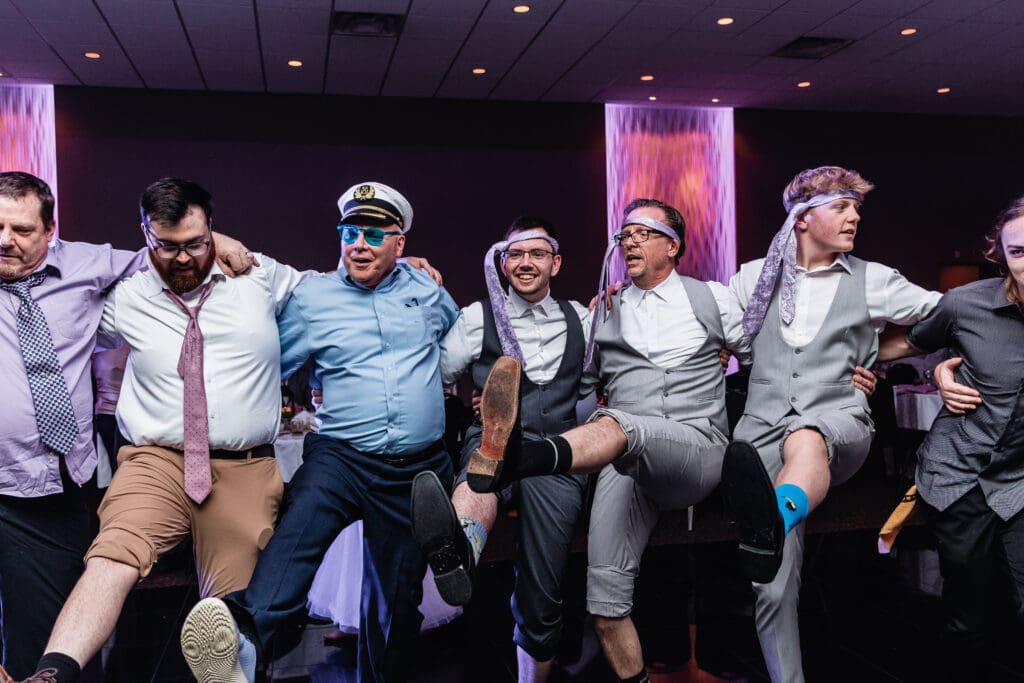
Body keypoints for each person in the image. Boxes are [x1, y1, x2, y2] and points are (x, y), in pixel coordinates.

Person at [1, 177, 288, 683]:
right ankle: (52, 673)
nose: (5, 239)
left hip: (239, 466)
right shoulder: (128, 293)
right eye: (166, 245)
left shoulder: (255, 276)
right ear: (146, 236)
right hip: (152, 460)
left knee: (228, 615)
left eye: (194, 244)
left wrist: (405, 269)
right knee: (112, 556)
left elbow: (334, 290)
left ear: (50, 230)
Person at [180, 181, 460, 683]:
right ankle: (241, 641)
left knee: (397, 599)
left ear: (401, 243)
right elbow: (267, 363)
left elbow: (457, 346)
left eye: (374, 234)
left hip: (416, 471)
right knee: (297, 535)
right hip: (342, 458)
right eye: (349, 231)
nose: (358, 243)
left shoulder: (427, 291)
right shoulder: (312, 298)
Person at [466, 199, 751, 683]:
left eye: (643, 232)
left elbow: (764, 361)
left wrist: (845, 378)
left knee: (621, 424)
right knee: (605, 602)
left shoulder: (714, 299)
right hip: (624, 463)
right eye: (625, 233)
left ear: (673, 245)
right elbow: (580, 390)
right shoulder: (605, 310)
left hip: (696, 447)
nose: (629, 240)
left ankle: (525, 455)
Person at [721, 166, 941, 683]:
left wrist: (882, 353)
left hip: (839, 420)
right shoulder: (753, 278)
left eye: (856, 208)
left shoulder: (875, 280)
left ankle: (771, 519)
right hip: (759, 429)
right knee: (771, 584)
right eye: (841, 206)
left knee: (808, 436)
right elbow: (709, 333)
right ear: (802, 218)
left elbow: (950, 313)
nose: (855, 216)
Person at [411, 215, 590, 682]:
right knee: (478, 481)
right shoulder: (476, 317)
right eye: (515, 254)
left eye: (536, 253)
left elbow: (601, 379)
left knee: (542, 586)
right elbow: (438, 374)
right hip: (492, 438)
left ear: (556, 262)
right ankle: (457, 552)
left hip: (557, 451)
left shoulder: (584, 319)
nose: (525, 263)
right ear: (502, 261)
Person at [883, 194, 1024, 682]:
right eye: (1018, 251)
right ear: (1001, 255)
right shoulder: (965, 304)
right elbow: (906, 344)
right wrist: (934, 370)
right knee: (970, 612)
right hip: (958, 474)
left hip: (1020, 478)